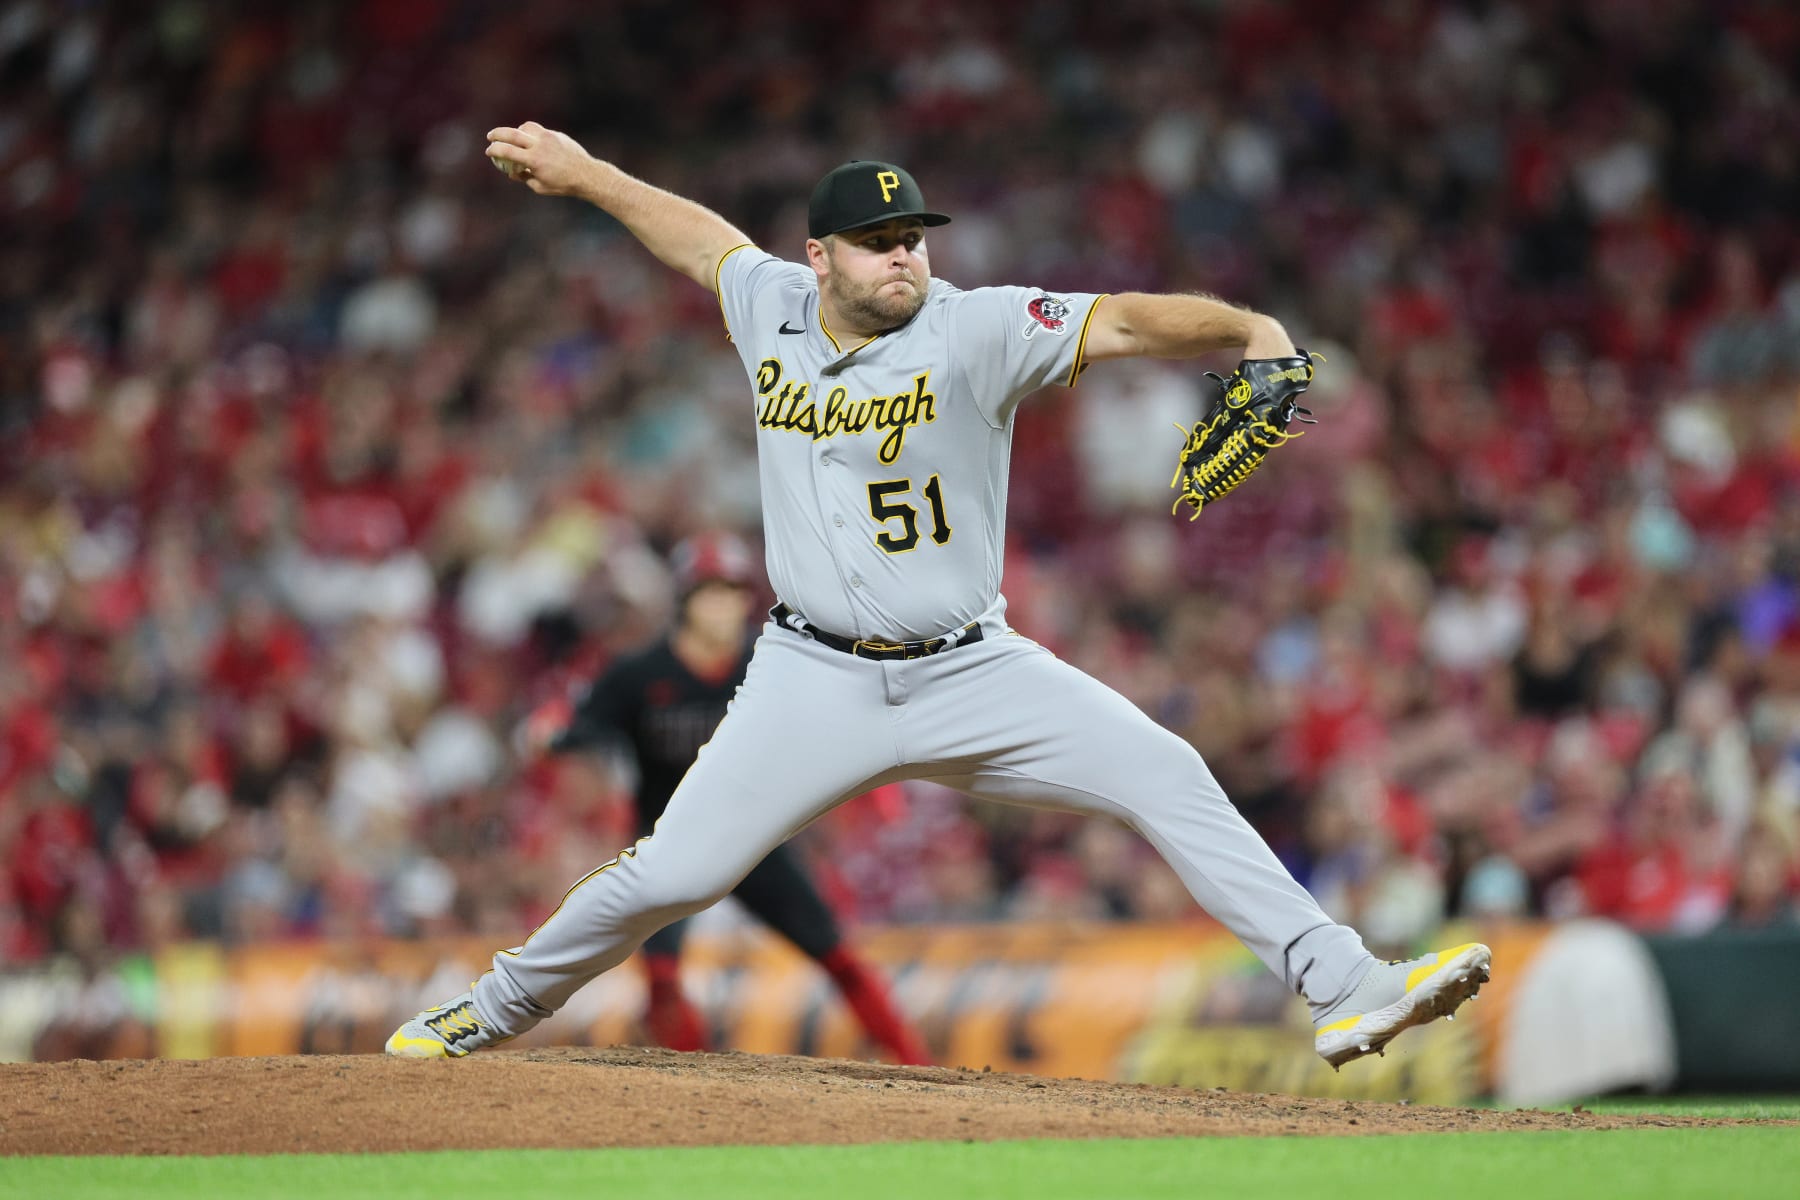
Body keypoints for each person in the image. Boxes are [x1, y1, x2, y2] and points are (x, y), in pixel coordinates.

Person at [388, 122, 1491, 1068]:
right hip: (810, 676)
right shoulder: (770, 304)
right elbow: (702, 241)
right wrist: (585, 175)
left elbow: (1123, 320)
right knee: (674, 873)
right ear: (819, 258)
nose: (902, 257)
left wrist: (1250, 331)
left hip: (971, 667)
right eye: (875, 244)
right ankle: (489, 1010)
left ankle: (1343, 984)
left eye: (911, 236)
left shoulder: (976, 328)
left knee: (1164, 769)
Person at [520, 531, 929, 1063]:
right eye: (710, 592)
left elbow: (831, 728)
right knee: (663, 976)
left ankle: (917, 1066)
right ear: (685, 602)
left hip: (751, 841)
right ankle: (698, 1094)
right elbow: (579, 729)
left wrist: (873, 792)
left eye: (732, 593)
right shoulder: (638, 675)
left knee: (838, 955)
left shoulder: (769, 666)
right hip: (669, 845)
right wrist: (551, 734)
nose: (723, 607)